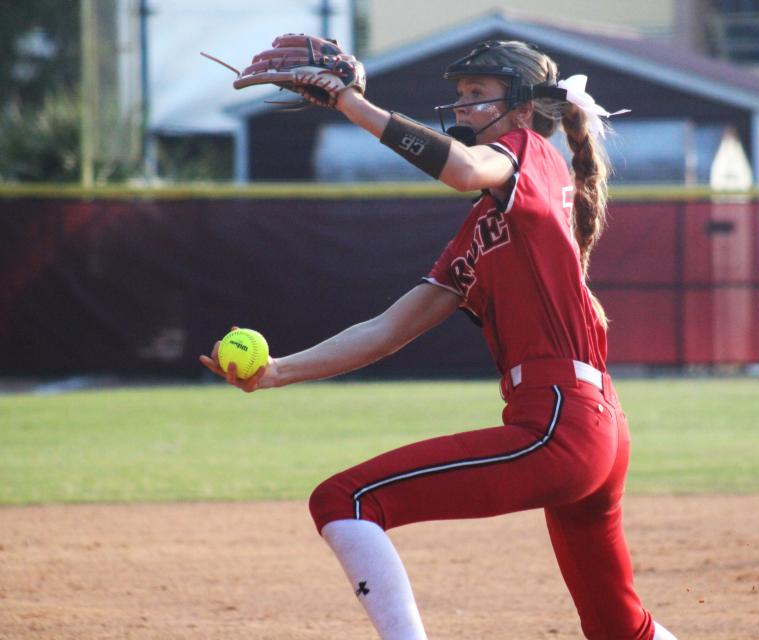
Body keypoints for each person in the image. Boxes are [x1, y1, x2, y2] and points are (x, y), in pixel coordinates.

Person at [201, 39, 676, 640]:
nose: (464, 107)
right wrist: (277, 372)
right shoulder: (485, 224)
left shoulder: (527, 152)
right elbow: (386, 331)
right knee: (617, 627)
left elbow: (461, 169)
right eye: (459, 96)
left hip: (559, 423)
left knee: (344, 501)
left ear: (525, 108)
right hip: (589, 424)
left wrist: (350, 103)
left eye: (478, 95)